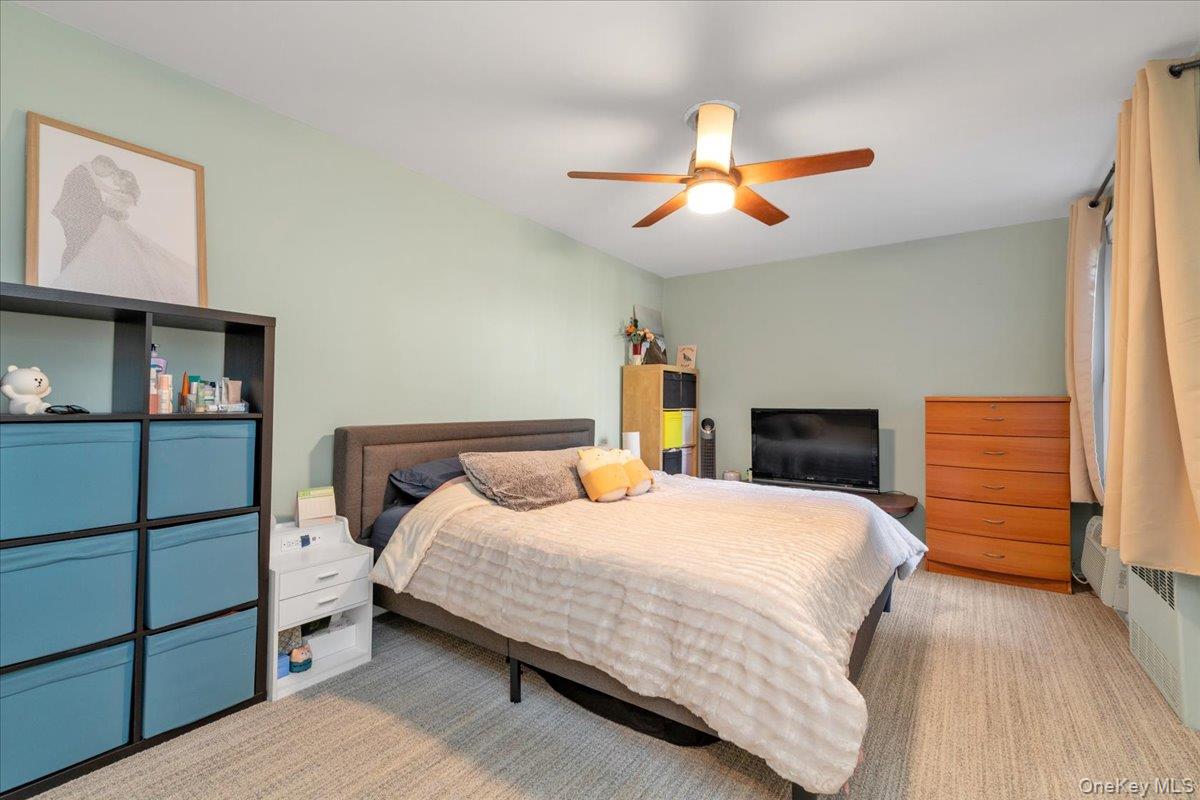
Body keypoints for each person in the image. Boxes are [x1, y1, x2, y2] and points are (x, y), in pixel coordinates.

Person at [50, 154, 198, 305]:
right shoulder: (89, 178)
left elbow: (102, 192)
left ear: (123, 180)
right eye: (110, 174)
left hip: (107, 225)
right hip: (98, 222)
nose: (111, 178)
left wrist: (89, 169)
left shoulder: (124, 195)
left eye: (114, 176)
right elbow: (105, 204)